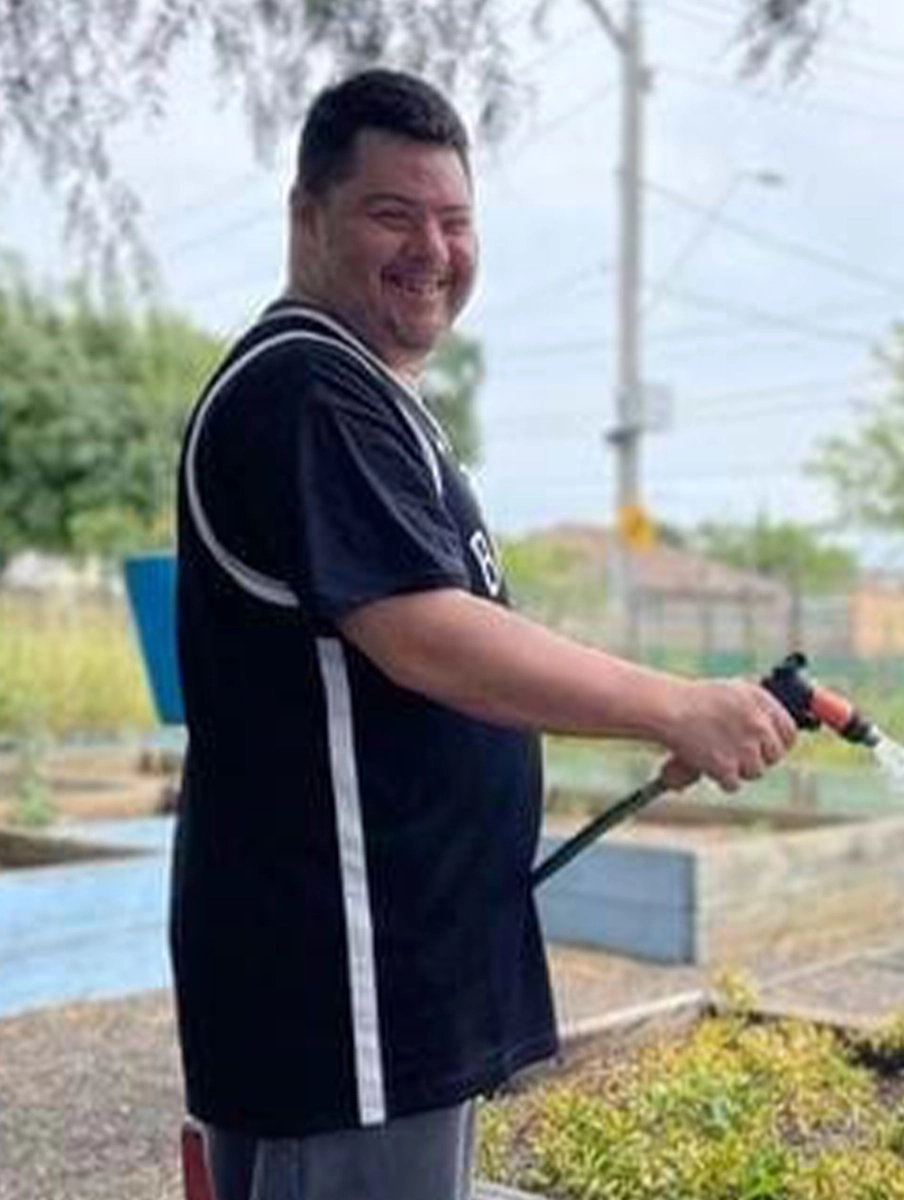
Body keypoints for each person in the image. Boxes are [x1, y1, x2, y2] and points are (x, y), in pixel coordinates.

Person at [171, 67, 798, 1200]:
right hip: (347, 982)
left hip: (384, 971)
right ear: (308, 216)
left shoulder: (366, 396)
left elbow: (446, 643)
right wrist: (673, 705)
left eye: (455, 221)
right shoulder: (306, 389)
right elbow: (426, 635)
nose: (433, 250)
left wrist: (654, 726)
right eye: (393, 214)